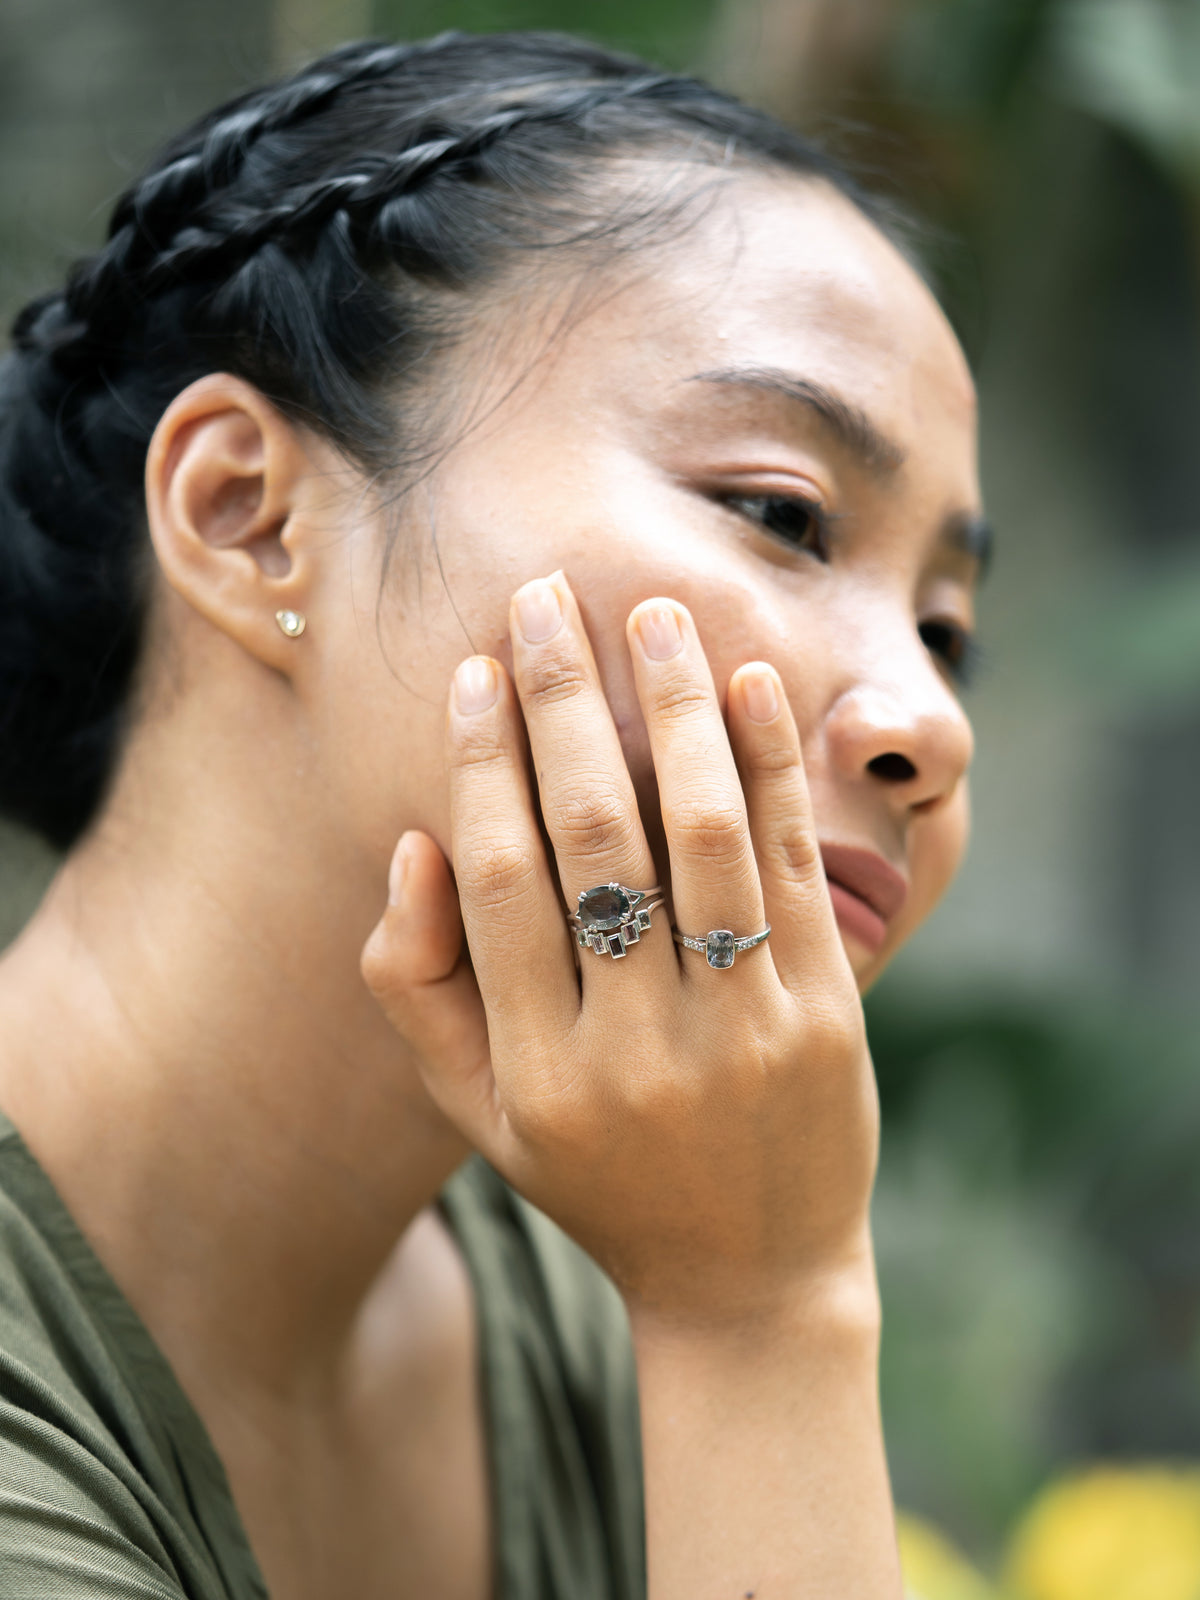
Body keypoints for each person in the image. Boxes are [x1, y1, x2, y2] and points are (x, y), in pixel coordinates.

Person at [0, 29, 986, 1600]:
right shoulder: (707, 1301)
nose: (931, 724)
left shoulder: (607, 1295)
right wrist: (759, 1318)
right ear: (248, 517)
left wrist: (743, 1310)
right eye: (782, 514)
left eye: (947, 631)